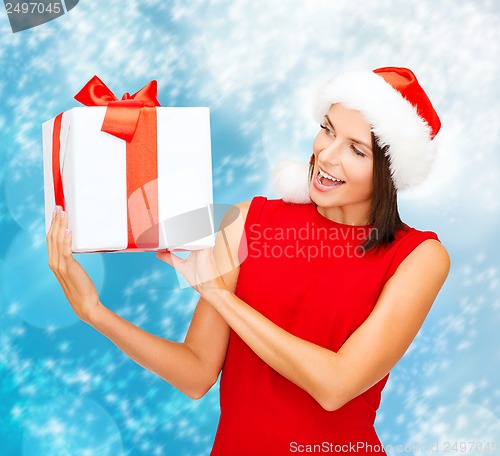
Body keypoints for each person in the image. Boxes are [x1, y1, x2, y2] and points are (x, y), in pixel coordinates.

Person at [47, 67, 450, 455]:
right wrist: (94, 312)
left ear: (390, 171)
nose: (327, 155)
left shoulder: (418, 257)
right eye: (327, 129)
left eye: (356, 149)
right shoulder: (247, 221)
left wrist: (221, 297)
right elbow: (197, 374)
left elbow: (335, 387)